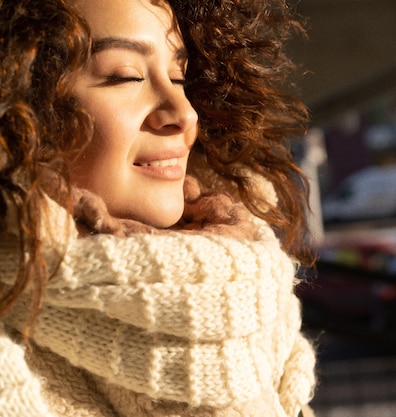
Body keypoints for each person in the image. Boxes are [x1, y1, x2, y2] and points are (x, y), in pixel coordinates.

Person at [0, 0, 317, 416]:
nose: (183, 113)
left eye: (178, 77)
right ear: (21, 108)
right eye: (125, 76)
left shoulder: (264, 316)